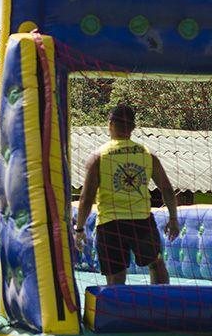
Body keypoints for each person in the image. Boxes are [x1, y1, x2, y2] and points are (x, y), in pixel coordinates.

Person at [74, 105, 180, 285]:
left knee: (116, 275)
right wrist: (173, 218)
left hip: (110, 224)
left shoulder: (99, 156)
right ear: (132, 127)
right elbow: (167, 189)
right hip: (142, 222)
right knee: (156, 263)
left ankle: (118, 312)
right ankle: (162, 306)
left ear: (110, 125)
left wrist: (80, 229)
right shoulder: (147, 154)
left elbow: (86, 198)